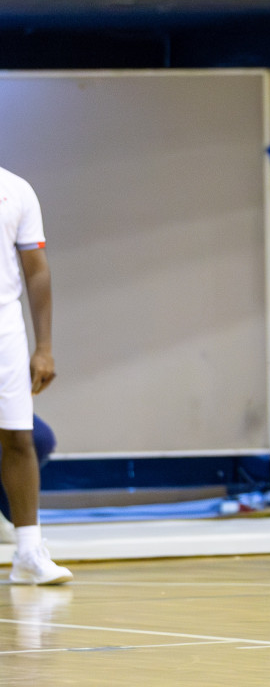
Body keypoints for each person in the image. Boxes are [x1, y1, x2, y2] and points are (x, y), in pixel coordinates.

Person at [0, 165, 70, 584]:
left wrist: (44, 347)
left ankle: (28, 552)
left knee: (19, 436)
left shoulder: (16, 189)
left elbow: (36, 269)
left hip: (5, 324)